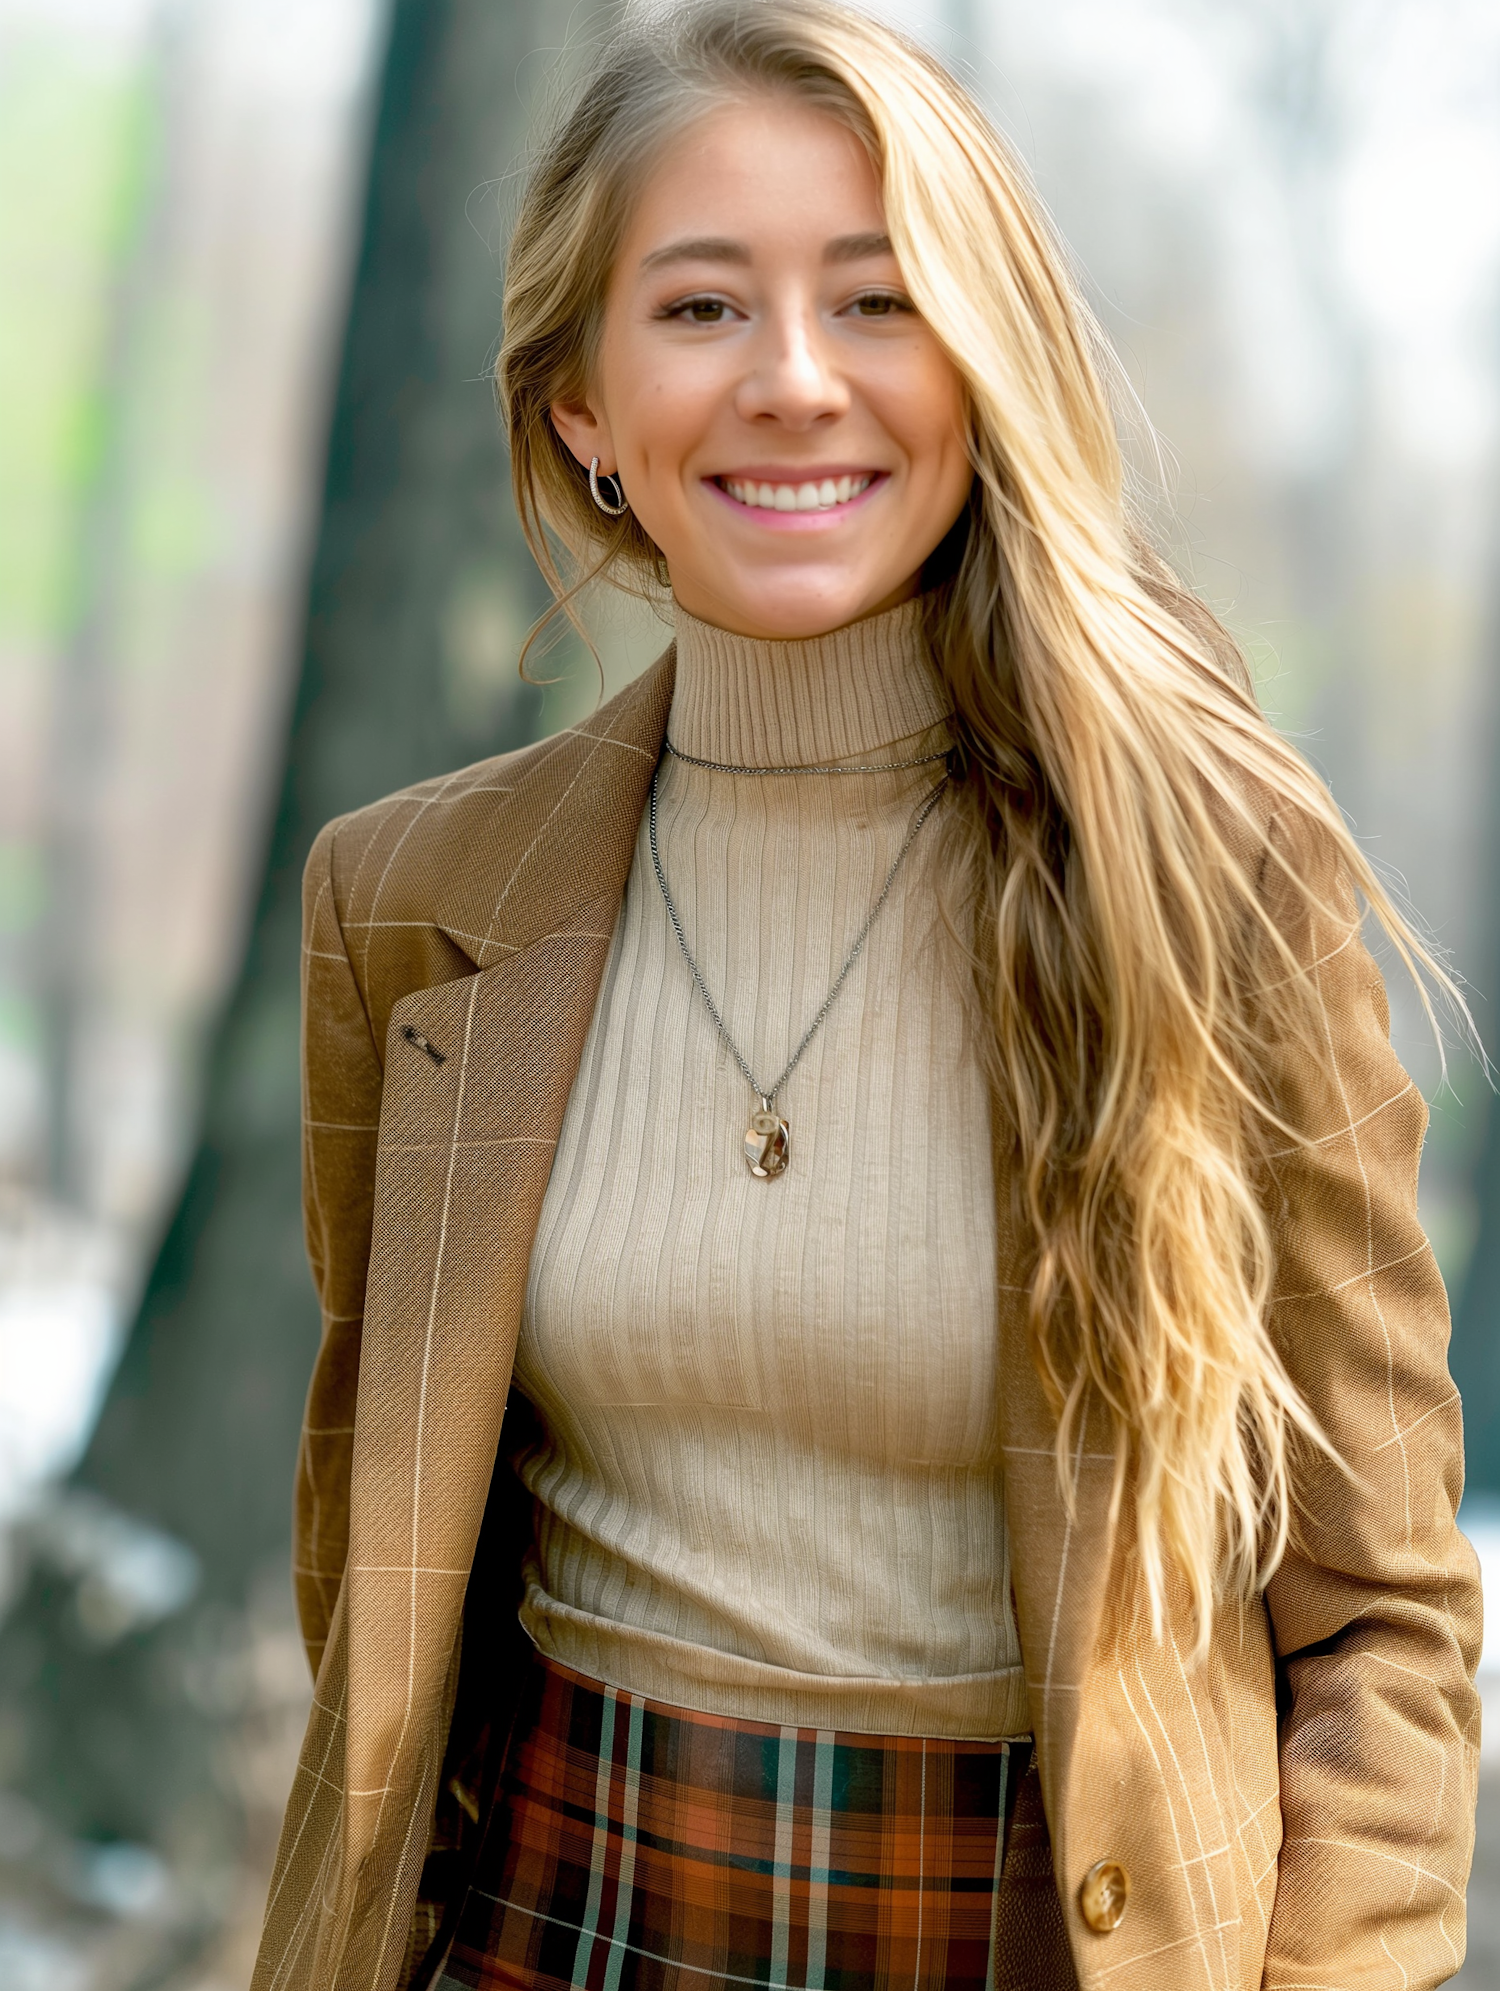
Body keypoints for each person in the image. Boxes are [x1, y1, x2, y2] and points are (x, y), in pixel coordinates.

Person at [250, 5, 1481, 1989]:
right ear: (581, 399)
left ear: (980, 366)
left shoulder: (1212, 875)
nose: (796, 383)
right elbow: (380, 1565)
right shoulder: (408, 905)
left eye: (880, 300)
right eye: (703, 307)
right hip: (545, 1927)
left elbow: (1385, 1619)